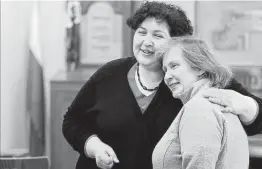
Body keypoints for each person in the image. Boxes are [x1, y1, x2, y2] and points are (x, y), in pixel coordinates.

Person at [62, 1, 262, 169]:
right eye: (142, 32)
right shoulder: (109, 73)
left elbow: (257, 119)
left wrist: (243, 104)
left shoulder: (196, 80)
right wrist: (93, 146)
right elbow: (72, 121)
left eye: (157, 36)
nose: (146, 42)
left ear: (176, 42)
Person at [152, 36, 249, 169]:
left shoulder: (199, 108)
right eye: (165, 70)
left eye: (174, 66)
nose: (167, 76)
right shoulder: (214, 104)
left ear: (199, 67)